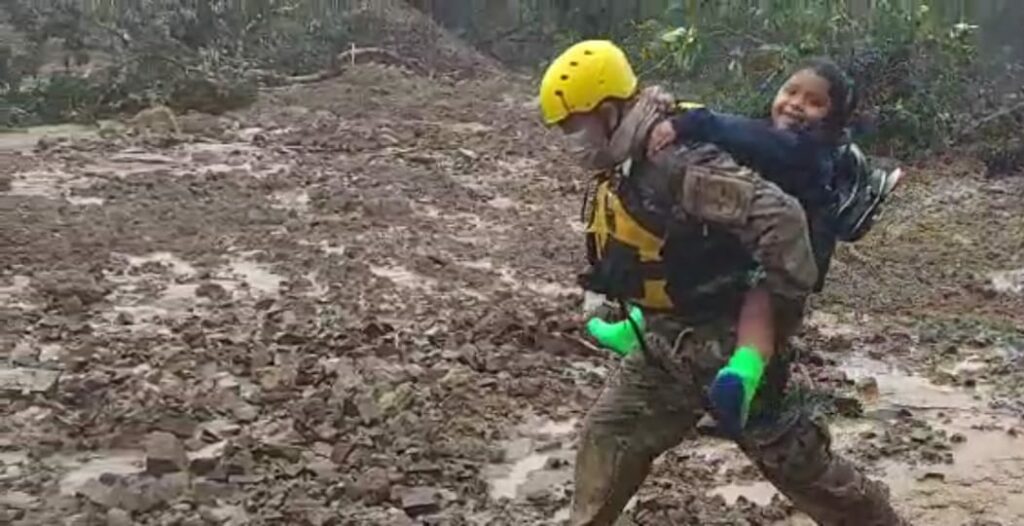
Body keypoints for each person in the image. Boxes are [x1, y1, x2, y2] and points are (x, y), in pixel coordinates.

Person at [539, 40, 907, 525]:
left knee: (790, 458)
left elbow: (782, 222)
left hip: (719, 337)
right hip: (675, 332)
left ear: (607, 111)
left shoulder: (677, 162)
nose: (570, 138)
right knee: (611, 430)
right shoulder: (630, 152)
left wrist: (767, 320)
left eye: (573, 126)